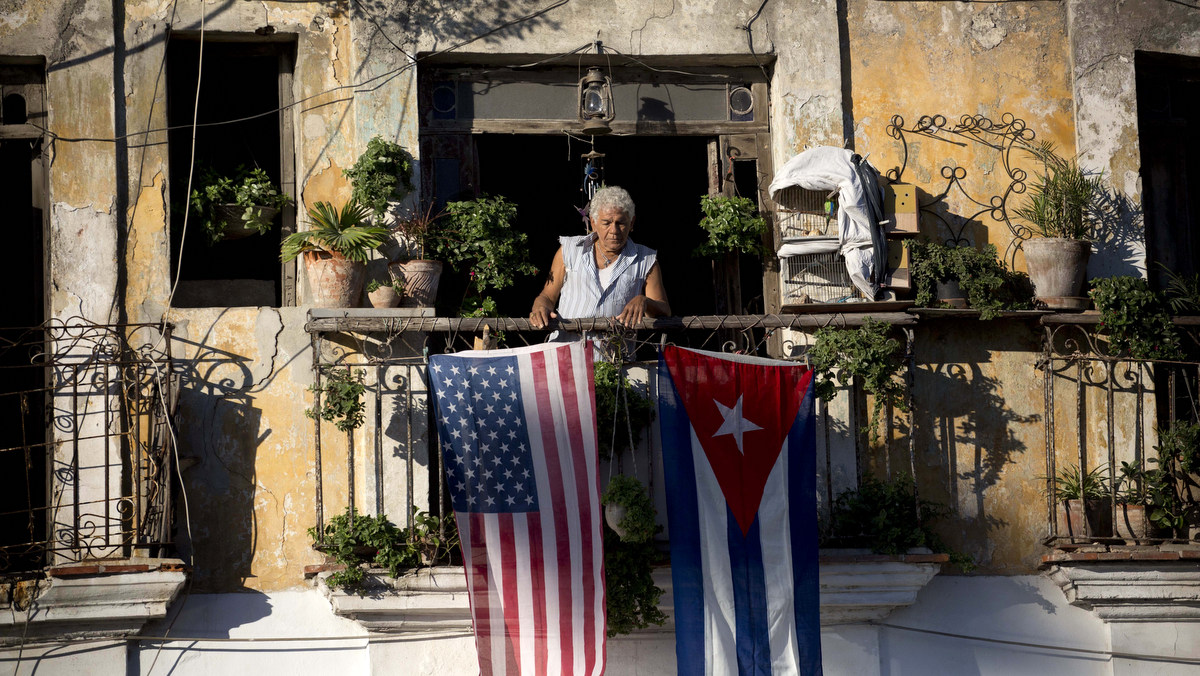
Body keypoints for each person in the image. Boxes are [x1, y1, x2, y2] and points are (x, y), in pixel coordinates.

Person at [529, 186, 671, 330]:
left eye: (620, 223)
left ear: (632, 223)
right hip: (568, 349)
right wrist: (540, 308)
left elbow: (664, 310)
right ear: (593, 223)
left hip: (617, 352)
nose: (614, 231)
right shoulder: (569, 250)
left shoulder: (646, 260)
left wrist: (644, 301)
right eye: (607, 223)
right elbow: (547, 297)